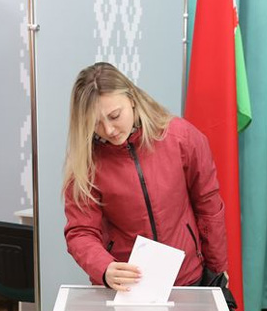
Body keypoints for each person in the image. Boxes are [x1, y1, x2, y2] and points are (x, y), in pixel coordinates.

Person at [63, 61, 228, 290]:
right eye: (96, 123)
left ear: (131, 98)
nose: (109, 130)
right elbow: (81, 231)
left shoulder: (181, 138)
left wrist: (217, 270)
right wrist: (104, 268)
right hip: (127, 287)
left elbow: (208, 206)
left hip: (187, 279)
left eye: (114, 115)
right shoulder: (86, 163)